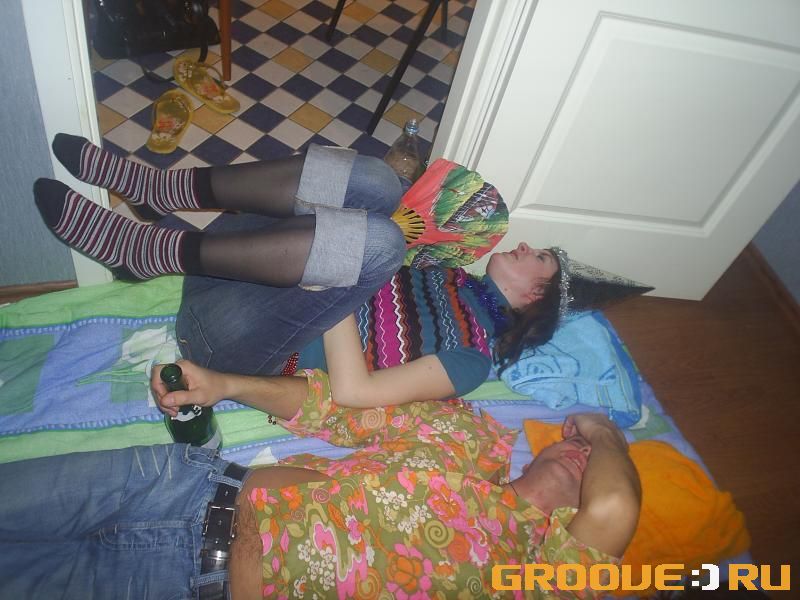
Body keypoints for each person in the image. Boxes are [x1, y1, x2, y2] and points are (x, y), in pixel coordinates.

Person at [0, 366, 641, 599]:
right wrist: (226, 384)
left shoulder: (536, 577)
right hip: (184, 483)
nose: (584, 454)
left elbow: (613, 507)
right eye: (581, 444)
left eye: (598, 458)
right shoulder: (468, 435)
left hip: (179, 585)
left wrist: (605, 429)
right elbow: (334, 409)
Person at [35, 134, 566, 406]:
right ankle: (161, 189)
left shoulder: (471, 359)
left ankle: (156, 251)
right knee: (380, 184)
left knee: (379, 244)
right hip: (234, 266)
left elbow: (352, 393)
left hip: (238, 340)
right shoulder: (447, 272)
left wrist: (344, 287)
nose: (524, 246)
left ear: (535, 297)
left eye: (538, 256)